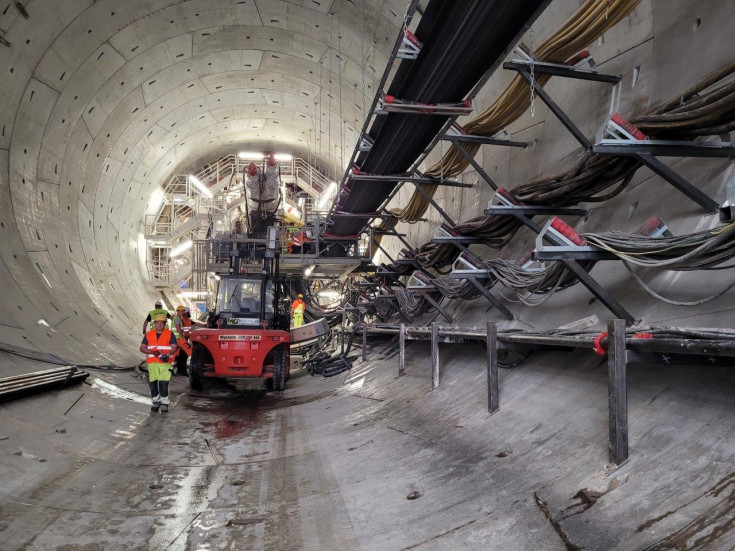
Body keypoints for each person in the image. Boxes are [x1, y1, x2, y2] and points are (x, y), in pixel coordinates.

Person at [140, 313, 178, 413]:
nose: (159, 324)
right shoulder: (149, 334)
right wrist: (152, 352)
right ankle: (156, 402)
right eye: (157, 322)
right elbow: (142, 348)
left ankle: (164, 403)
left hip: (165, 363)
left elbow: (174, 346)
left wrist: (168, 354)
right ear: (155, 324)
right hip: (152, 363)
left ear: (164, 324)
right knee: (153, 383)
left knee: (163, 383)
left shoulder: (169, 334)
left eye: (161, 323)